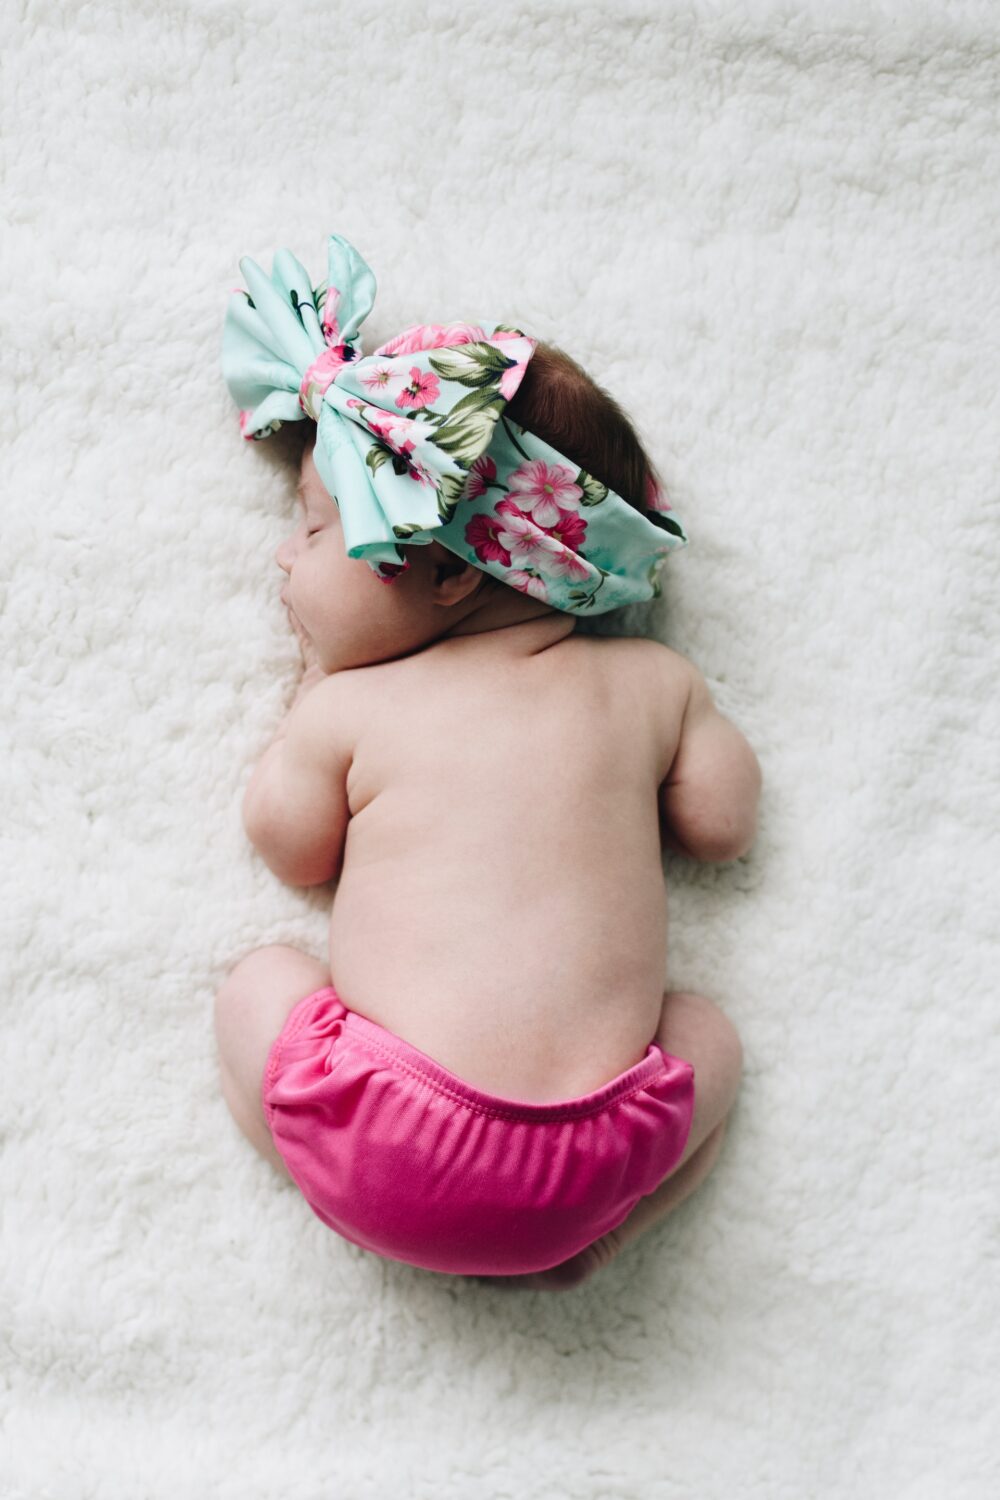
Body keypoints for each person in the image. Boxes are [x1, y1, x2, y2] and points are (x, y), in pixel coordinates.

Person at [213, 235, 762, 1289]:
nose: (286, 557)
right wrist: (685, 721)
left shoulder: (356, 707)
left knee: (256, 987)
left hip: (384, 1140)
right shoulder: (647, 684)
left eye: (321, 530)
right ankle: (595, 1245)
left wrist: (308, 700)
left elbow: (288, 850)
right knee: (711, 1041)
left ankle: (350, 1211)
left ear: (449, 576)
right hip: (588, 1160)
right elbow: (724, 826)